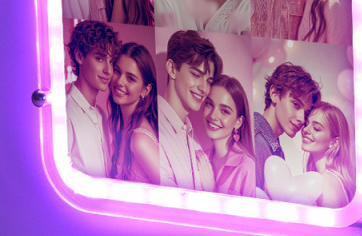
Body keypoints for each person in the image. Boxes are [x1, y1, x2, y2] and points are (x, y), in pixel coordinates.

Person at [158, 30, 222, 190]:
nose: (204, 88)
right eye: (196, 74)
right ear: (172, 69)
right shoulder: (152, 128)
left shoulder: (193, 141)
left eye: (209, 81)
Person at [253, 62, 321, 192]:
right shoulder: (257, 142)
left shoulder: (273, 146)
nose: (302, 119)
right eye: (296, 104)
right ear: (274, 94)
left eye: (306, 112)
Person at [65, 20, 120, 177]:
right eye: (100, 58)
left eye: (111, 61)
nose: (108, 70)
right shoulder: (65, 113)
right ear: (79, 56)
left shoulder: (101, 114)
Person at [108, 42, 160, 185]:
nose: (119, 81)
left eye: (130, 78)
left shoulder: (140, 140)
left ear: (145, 90)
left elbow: (173, 192)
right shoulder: (120, 126)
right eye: (117, 71)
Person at [203, 75, 256, 197]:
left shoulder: (247, 168)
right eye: (210, 104)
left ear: (238, 122)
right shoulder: (199, 158)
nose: (213, 116)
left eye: (224, 111)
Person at [301, 101, 356, 208]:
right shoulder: (328, 179)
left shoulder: (326, 183)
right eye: (307, 124)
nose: (306, 130)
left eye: (316, 128)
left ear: (334, 142)